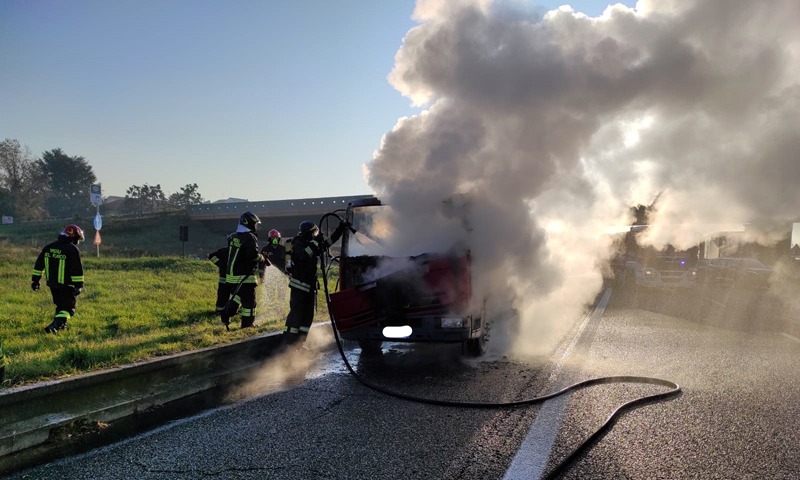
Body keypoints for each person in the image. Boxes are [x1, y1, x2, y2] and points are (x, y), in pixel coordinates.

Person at [283, 219, 349, 346]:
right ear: (307, 233)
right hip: (299, 287)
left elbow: (328, 243)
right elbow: (304, 254)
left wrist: (340, 229)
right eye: (313, 233)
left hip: (309, 287)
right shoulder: (297, 242)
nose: (314, 235)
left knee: (308, 317)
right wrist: (315, 242)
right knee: (296, 316)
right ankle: (288, 344)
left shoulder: (311, 244)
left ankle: (299, 344)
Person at [31, 224, 85, 334]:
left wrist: (35, 280)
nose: (77, 242)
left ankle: (62, 326)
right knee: (68, 309)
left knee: (60, 306)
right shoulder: (72, 249)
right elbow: (77, 269)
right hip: (67, 285)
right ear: (72, 237)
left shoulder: (49, 247)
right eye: (77, 239)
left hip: (52, 284)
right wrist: (78, 285)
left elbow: (39, 265)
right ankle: (54, 326)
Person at [221, 211, 266, 329]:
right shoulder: (250, 237)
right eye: (255, 224)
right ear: (249, 223)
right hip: (245, 276)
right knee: (250, 302)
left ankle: (225, 314)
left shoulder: (234, 236)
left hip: (232, 276)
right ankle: (248, 325)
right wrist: (262, 258)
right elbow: (252, 255)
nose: (256, 226)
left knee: (237, 297)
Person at [207, 246, 229, 314]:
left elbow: (211, 256)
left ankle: (223, 310)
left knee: (223, 295)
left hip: (228, 278)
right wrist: (221, 264)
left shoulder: (225, 251)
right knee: (223, 295)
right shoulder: (226, 251)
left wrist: (221, 264)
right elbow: (211, 256)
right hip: (226, 278)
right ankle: (221, 310)